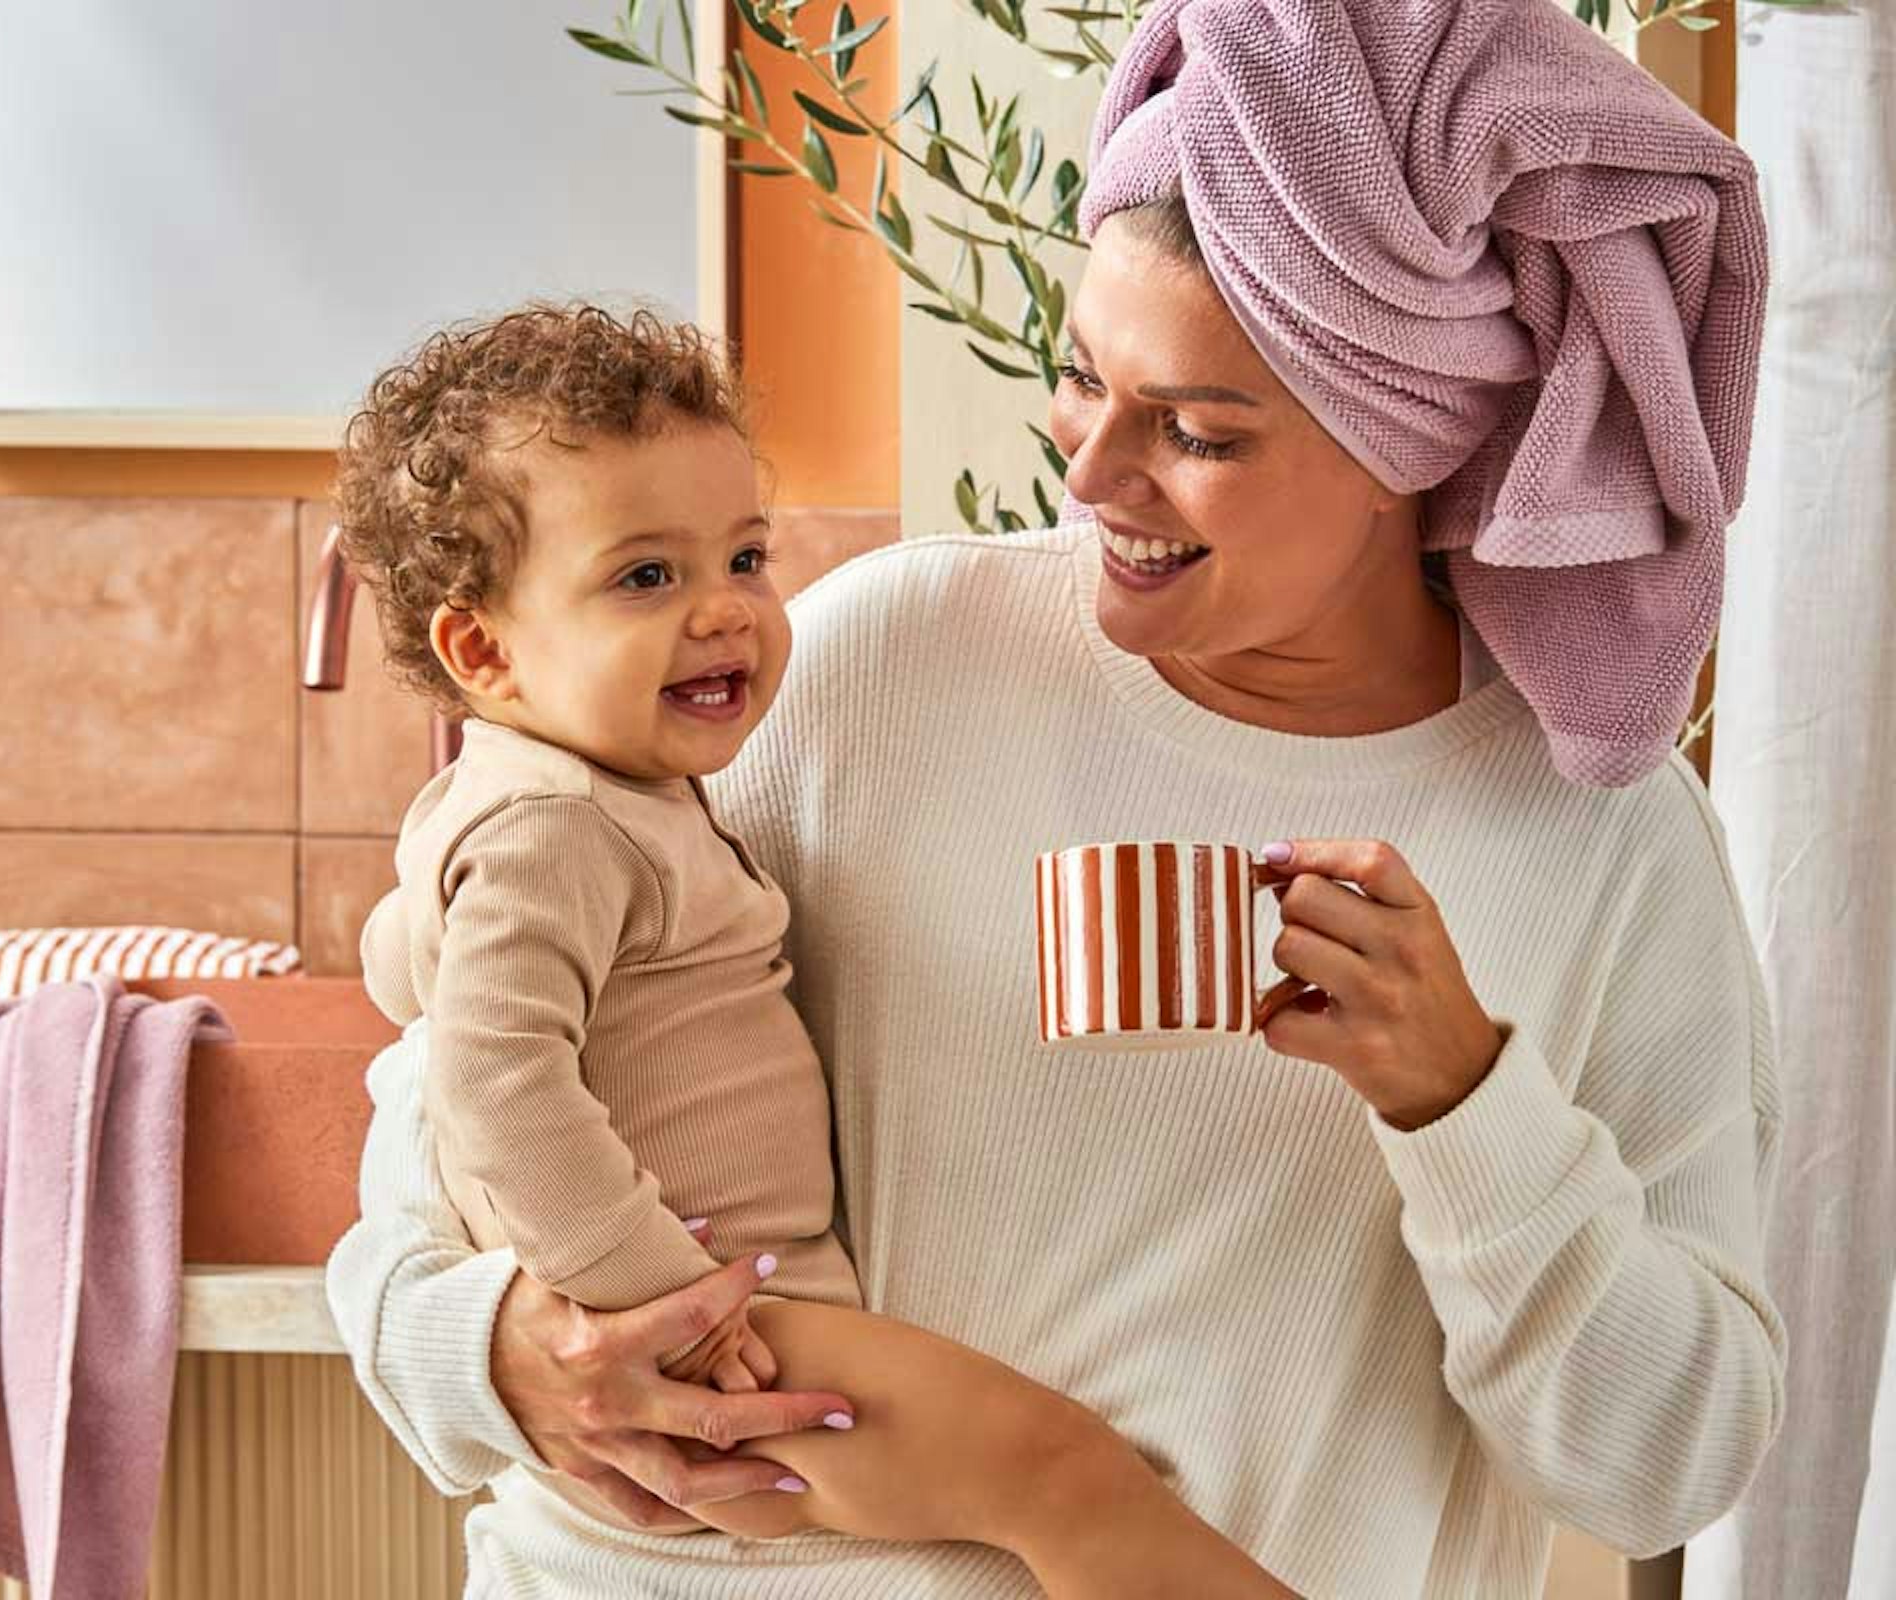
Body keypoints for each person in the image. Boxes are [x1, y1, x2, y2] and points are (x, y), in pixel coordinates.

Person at [327, 2, 1787, 1594]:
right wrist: (495, 1358)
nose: (1090, 475)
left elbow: (1667, 1470)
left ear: (1407, 448)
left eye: (1199, 433)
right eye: (1084, 380)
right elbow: (446, 1129)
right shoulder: (875, 664)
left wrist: (1468, 1101)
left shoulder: (1598, 844)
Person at [334, 299, 1297, 1598]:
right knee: (1064, 1479)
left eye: (741, 559)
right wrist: (671, 1304)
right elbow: (495, 1080)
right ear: (482, 650)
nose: (726, 612)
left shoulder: (568, 797)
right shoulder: (555, 831)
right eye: (645, 577)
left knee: (1061, 1489)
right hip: (724, 1340)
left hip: (725, 1328)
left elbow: (411, 975)